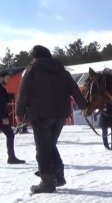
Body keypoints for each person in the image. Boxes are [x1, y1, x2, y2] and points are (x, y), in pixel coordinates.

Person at [15, 45, 87, 193]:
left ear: (35, 57)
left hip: (40, 115)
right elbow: (75, 90)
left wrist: (19, 112)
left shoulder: (32, 70)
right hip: (60, 115)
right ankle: (58, 176)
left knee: (43, 148)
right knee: (50, 145)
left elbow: (23, 93)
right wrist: (84, 105)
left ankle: (47, 182)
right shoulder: (63, 72)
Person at [0, 71, 25, 164]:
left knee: (10, 134)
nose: (9, 80)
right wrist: (4, 117)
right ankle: (11, 157)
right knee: (10, 134)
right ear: (1, 77)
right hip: (1, 117)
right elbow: (1, 104)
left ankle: (11, 157)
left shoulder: (2, 88)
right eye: (7, 78)